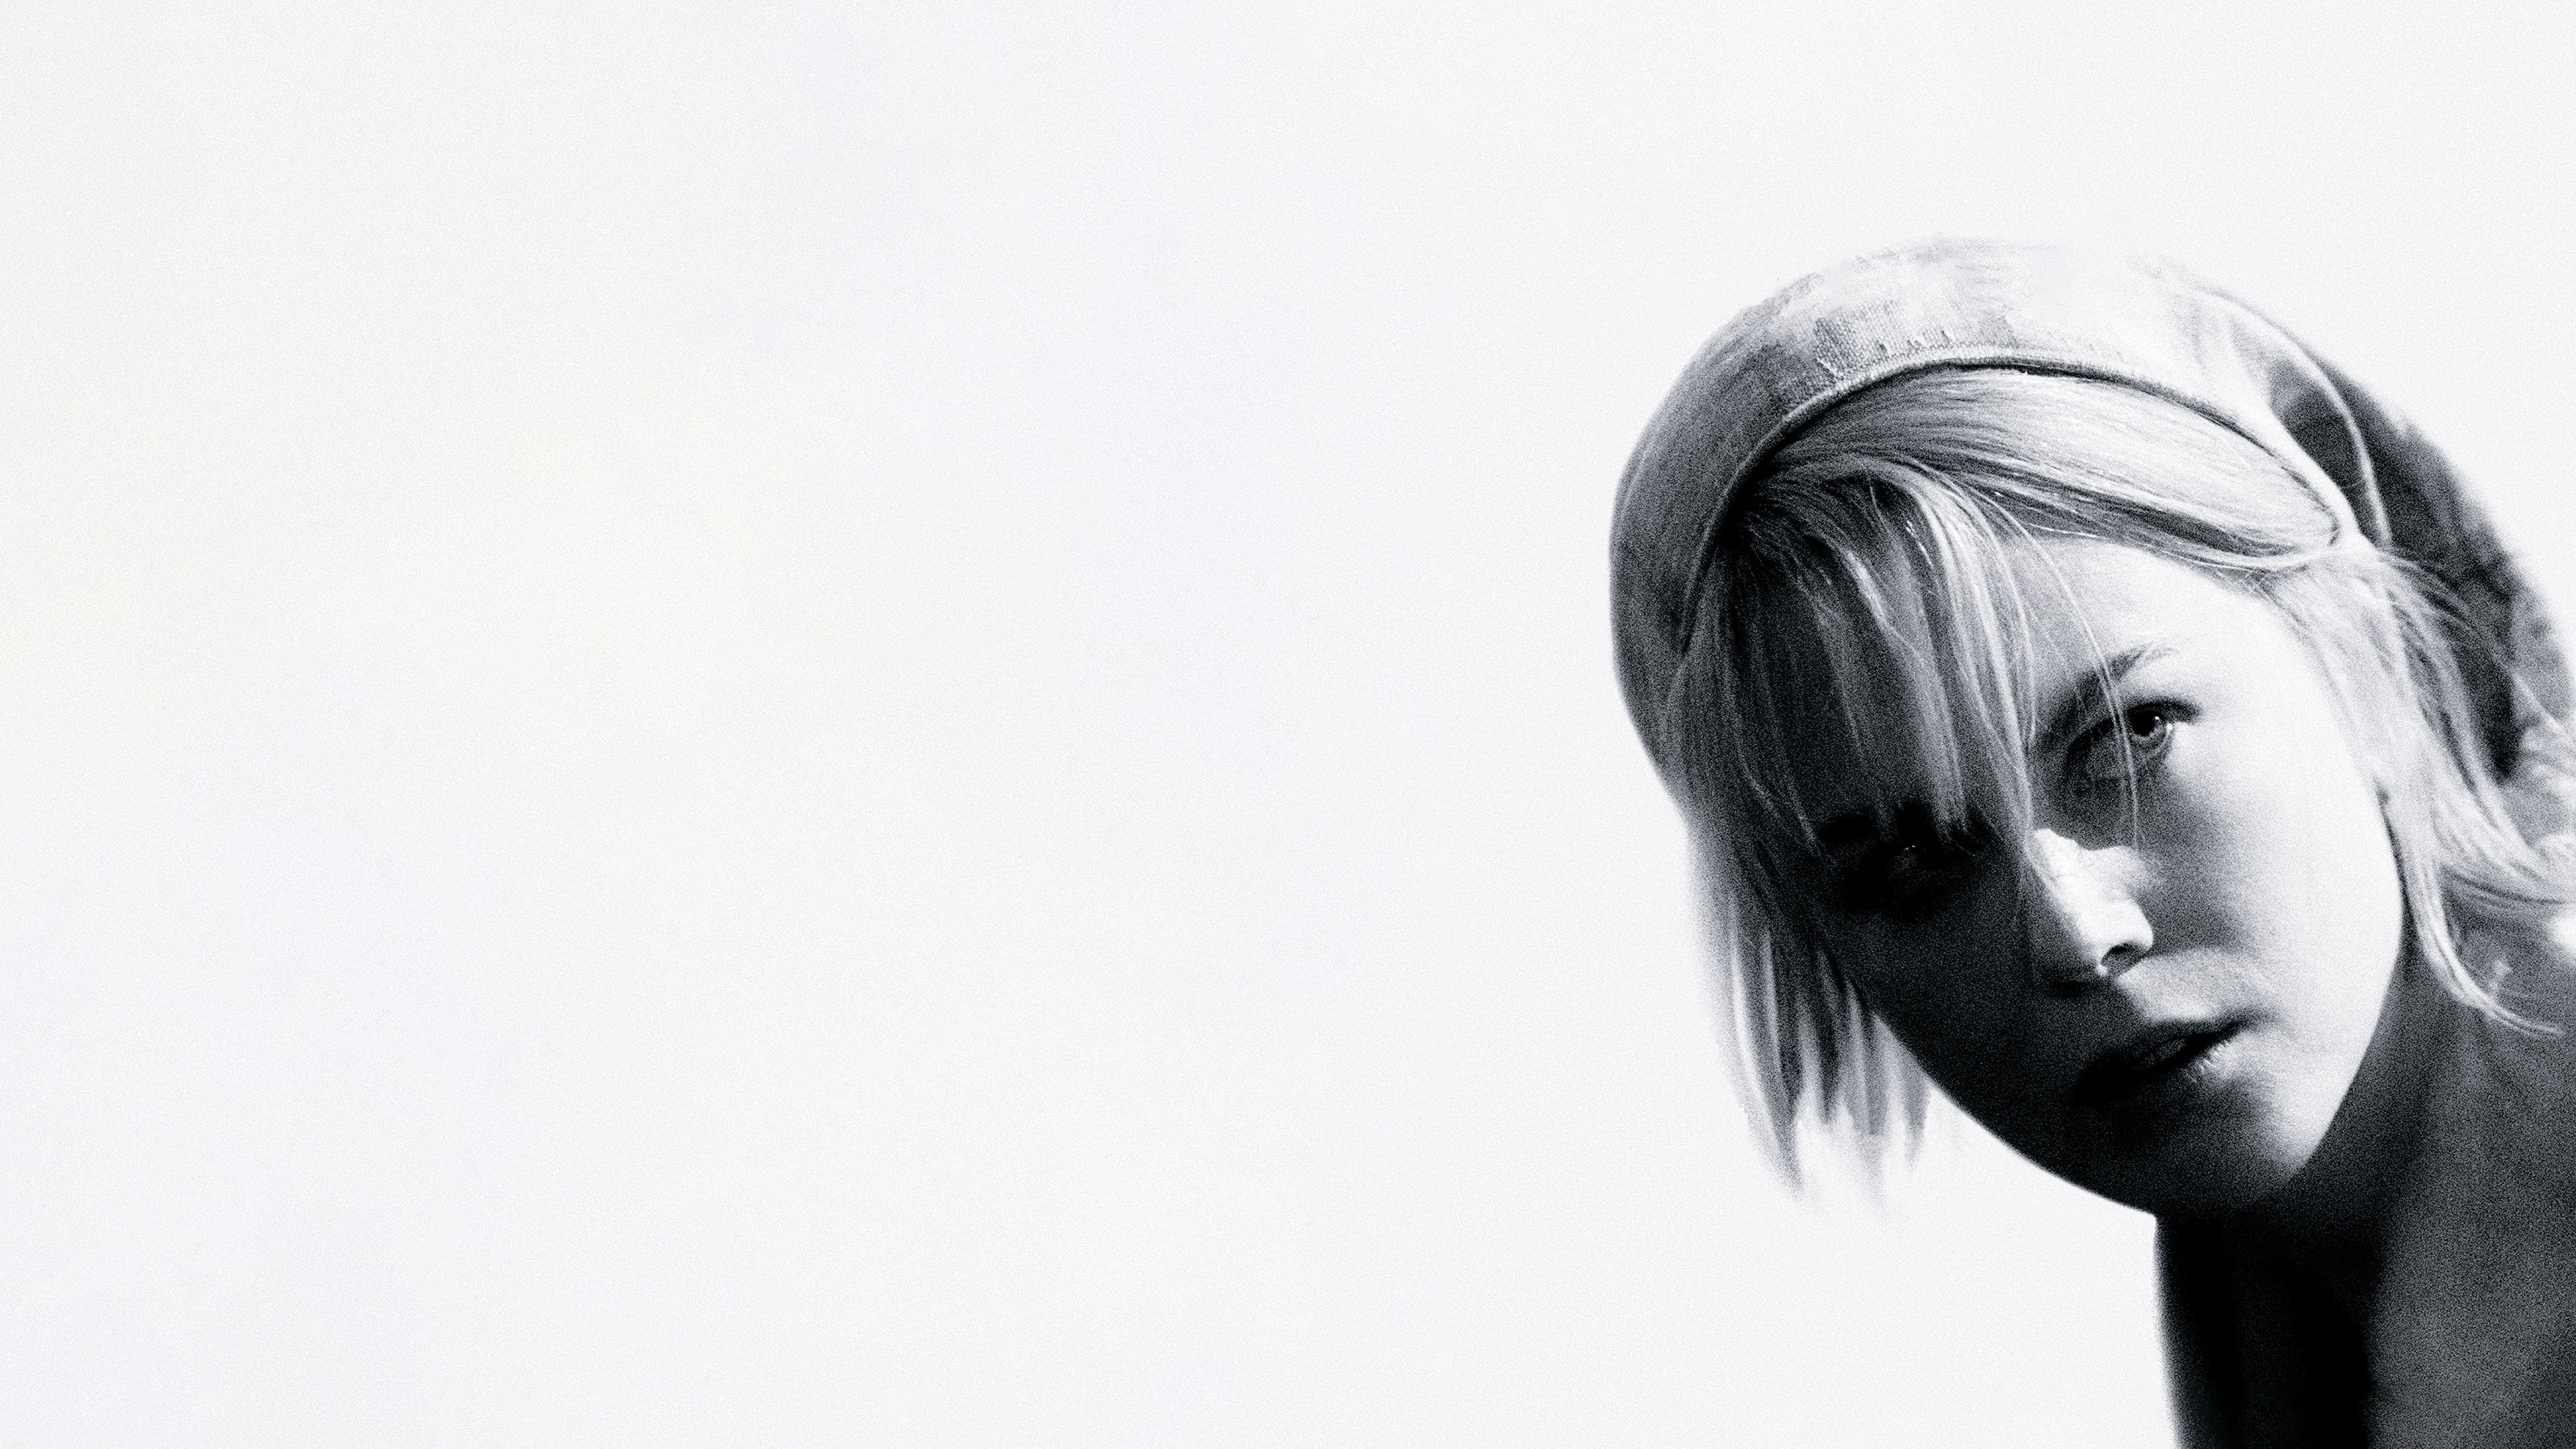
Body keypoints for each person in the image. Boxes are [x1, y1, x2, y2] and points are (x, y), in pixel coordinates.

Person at [1609, 239, 2576, 1447]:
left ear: (2371, 667)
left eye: (2129, 737)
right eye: (1912, 863)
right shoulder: (2286, 1342)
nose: (2076, 933)